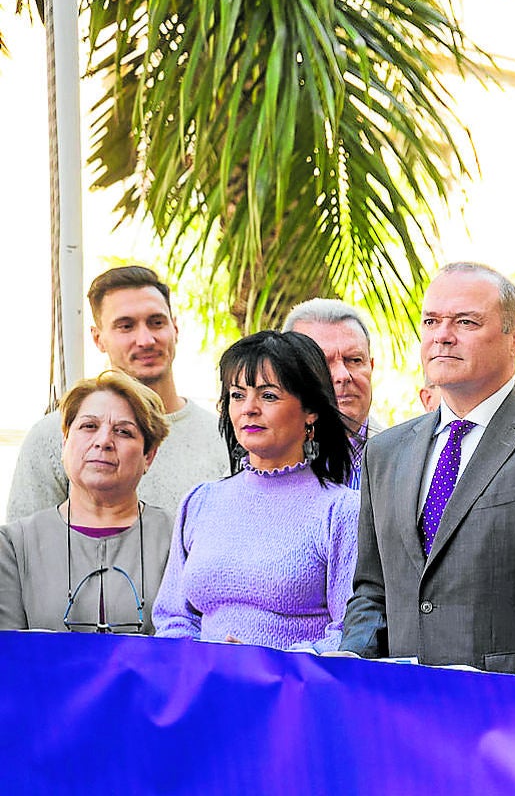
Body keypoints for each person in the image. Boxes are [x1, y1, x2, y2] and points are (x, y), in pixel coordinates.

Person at [340, 262, 515, 674]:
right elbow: (372, 591)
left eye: (465, 321)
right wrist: (352, 666)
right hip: (401, 712)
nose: (442, 334)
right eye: (431, 321)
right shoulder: (385, 452)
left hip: (513, 716)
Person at [153, 331, 359, 652]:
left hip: (293, 695)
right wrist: (204, 661)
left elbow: (350, 630)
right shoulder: (200, 502)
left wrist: (266, 665)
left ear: (310, 411)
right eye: (237, 395)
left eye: (268, 396)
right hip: (203, 691)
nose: (249, 408)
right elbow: (172, 617)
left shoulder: (341, 510)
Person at [8, 266, 227, 522]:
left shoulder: (222, 438)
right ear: (98, 338)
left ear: (175, 328)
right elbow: (23, 552)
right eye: (126, 326)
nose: (145, 340)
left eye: (156, 322)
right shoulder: (53, 437)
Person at [0, 371, 172, 632]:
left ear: (149, 455)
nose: (103, 441)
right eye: (89, 426)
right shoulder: (14, 545)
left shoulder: (177, 540)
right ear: (65, 441)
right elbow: (9, 655)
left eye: (123, 432)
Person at [284, 298, 381, 489]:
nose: (343, 376)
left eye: (354, 360)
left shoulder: (409, 461)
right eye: (323, 364)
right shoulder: (254, 464)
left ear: (371, 366)